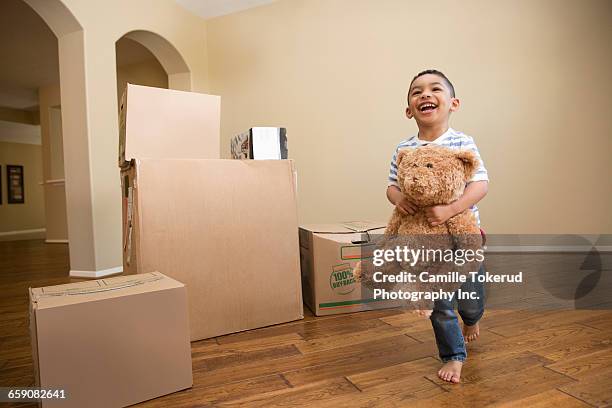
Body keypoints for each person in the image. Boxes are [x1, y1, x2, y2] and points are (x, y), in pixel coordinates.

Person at [387, 69, 489, 383]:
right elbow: (392, 186)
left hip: (463, 241)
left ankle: (472, 321)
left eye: (435, 89)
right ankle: (453, 356)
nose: (425, 95)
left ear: (453, 103)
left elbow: (481, 183)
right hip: (427, 246)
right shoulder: (404, 149)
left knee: (470, 302)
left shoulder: (462, 142)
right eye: (417, 92)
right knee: (441, 303)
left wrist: (452, 209)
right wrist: (399, 199)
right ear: (409, 110)